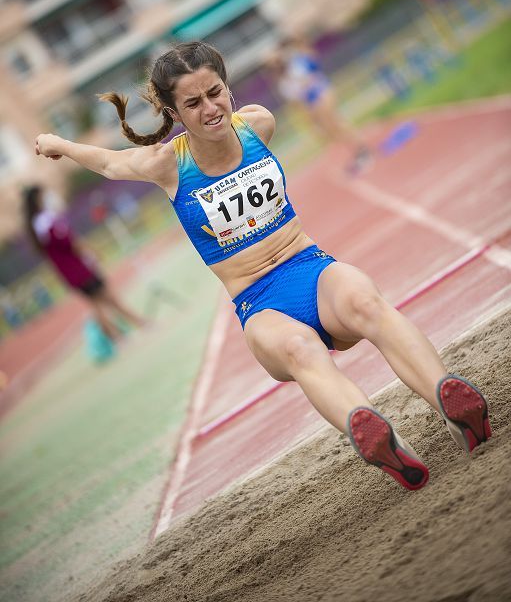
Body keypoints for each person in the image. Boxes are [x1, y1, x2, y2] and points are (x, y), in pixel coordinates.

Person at [35, 42, 491, 490]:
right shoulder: (167, 165)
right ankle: (376, 435)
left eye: (215, 92)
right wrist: (60, 145)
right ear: (174, 114)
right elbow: (111, 164)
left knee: (367, 302)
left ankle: (450, 402)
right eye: (193, 103)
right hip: (260, 303)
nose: (210, 108)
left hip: (312, 269)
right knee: (300, 350)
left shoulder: (257, 124)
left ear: (228, 88)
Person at [23, 185, 146, 342]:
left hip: (72, 272)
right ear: (37, 199)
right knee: (106, 299)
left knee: (98, 303)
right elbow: (70, 243)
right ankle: (136, 326)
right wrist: (91, 252)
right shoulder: (46, 222)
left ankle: (120, 335)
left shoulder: (39, 225)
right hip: (78, 270)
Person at [269, 36, 372, 175]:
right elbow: (298, 103)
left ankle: (363, 149)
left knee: (336, 123)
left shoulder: (295, 65)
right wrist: (312, 120)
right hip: (312, 102)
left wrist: (296, 43)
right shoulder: (284, 85)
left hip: (321, 92)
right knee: (331, 131)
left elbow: (312, 70)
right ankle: (357, 151)